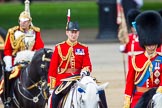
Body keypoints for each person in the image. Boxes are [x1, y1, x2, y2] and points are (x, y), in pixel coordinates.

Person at [48, 21, 108, 108]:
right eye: (72, 32)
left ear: (78, 33)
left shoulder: (83, 48)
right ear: (67, 33)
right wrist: (52, 86)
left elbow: (87, 65)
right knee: (55, 97)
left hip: (80, 77)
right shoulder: (59, 47)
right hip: (63, 80)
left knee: (100, 92)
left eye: (75, 32)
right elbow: (53, 68)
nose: (73, 35)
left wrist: (85, 71)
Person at [2, 10, 44, 107]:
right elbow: (7, 49)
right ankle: (8, 98)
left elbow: (40, 48)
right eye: (21, 21)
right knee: (8, 77)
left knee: (42, 76)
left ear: (29, 22)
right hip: (16, 63)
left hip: (31, 62)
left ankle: (43, 96)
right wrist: (9, 64)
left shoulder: (35, 32)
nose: (22, 23)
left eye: (25, 21)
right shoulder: (12, 32)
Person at [123, 10, 162, 108]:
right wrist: (127, 99)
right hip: (139, 97)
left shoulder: (160, 59)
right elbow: (130, 82)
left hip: (157, 96)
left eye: (153, 44)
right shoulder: (135, 59)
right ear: (144, 44)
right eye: (148, 45)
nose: (151, 47)